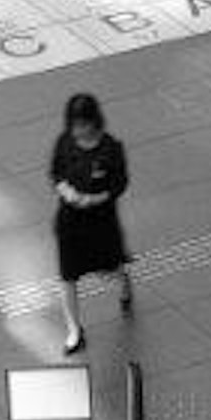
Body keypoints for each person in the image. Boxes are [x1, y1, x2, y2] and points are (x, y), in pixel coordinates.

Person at [48, 92, 132, 355]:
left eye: (83, 124)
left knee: (108, 267)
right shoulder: (65, 143)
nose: (78, 130)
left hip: (100, 222)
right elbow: (56, 173)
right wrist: (66, 192)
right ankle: (74, 330)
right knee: (68, 277)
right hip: (70, 222)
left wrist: (96, 198)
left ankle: (123, 281)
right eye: (74, 125)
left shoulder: (111, 149)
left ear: (94, 122)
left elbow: (120, 183)